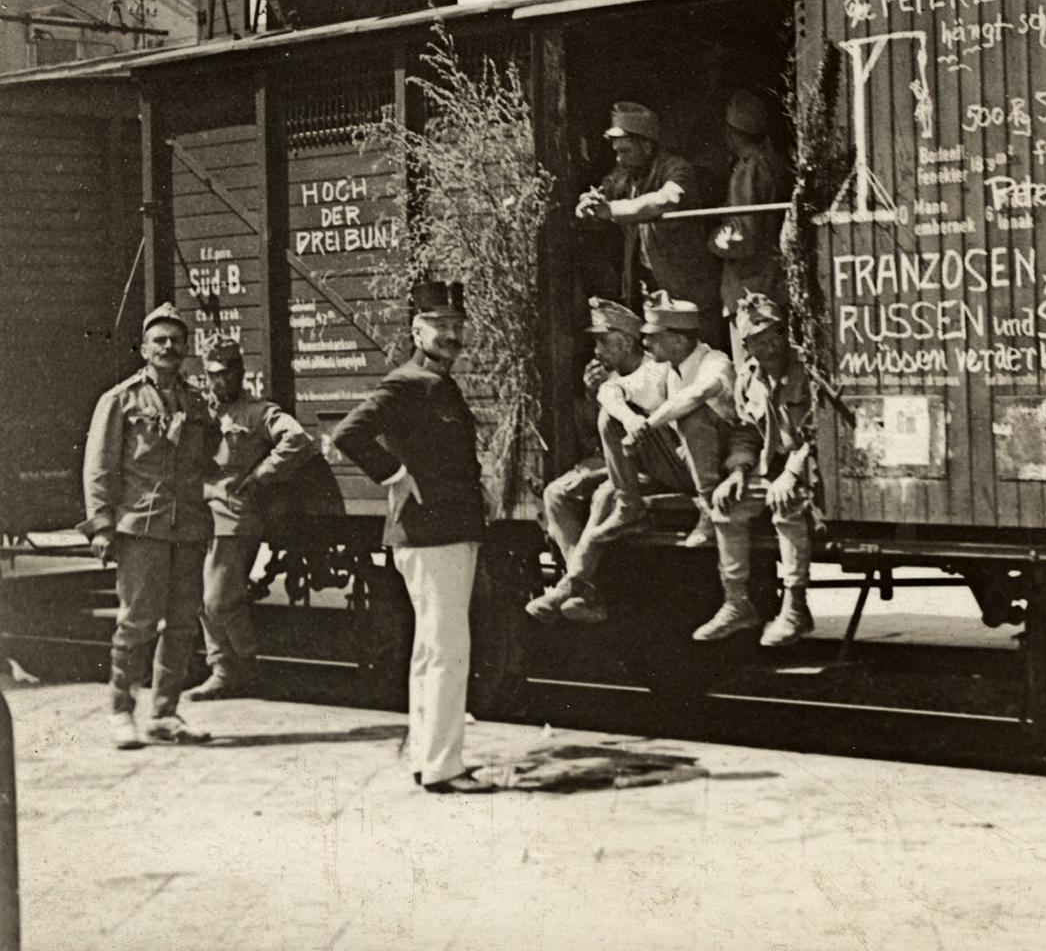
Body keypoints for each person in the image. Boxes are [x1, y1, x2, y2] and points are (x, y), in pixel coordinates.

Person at [331, 280, 494, 795]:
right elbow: (348, 434)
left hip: (445, 530)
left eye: (456, 326)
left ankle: (428, 758)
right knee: (448, 649)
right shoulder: (407, 382)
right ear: (415, 331)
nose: (450, 334)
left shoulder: (438, 384)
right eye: (439, 326)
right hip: (431, 533)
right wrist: (394, 475)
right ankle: (444, 766)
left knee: (431, 649)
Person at [79, 302, 219, 749]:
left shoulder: (197, 402)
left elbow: (209, 454)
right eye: (159, 340)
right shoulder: (119, 400)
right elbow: (98, 467)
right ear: (143, 349)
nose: (168, 347)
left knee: (182, 624)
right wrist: (102, 526)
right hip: (141, 528)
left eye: (176, 340)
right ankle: (122, 712)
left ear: (186, 348)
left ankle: (164, 714)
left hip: (190, 528)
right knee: (137, 622)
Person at [527, 298, 686, 625]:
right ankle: (584, 589)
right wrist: (590, 397)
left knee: (605, 496)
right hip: (620, 466)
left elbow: (667, 434)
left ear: (626, 341)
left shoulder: (658, 370)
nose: (595, 349)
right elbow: (592, 441)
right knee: (555, 494)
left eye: (603, 340)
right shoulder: (607, 377)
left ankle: (570, 586)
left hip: (657, 468)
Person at [184, 336, 317, 701]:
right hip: (198, 515)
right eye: (214, 375)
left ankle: (246, 666)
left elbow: (298, 440)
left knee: (217, 600)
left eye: (228, 374)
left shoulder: (258, 413)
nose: (221, 381)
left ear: (240, 374)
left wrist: (261, 475)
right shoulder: (200, 413)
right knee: (200, 598)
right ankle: (224, 671)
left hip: (234, 517)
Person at [621, 290, 756, 638]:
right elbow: (615, 389)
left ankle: (709, 506)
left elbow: (695, 395)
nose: (646, 344)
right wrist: (628, 418)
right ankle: (627, 498)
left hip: (730, 458)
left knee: (691, 414)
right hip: (688, 462)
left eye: (653, 338)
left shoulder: (716, 362)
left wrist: (649, 424)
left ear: (679, 340)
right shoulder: (663, 368)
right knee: (612, 419)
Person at [575, 101, 725, 348]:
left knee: (701, 357)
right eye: (616, 152)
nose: (618, 159)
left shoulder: (678, 169)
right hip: (653, 291)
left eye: (625, 151)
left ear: (646, 145)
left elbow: (664, 200)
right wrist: (588, 205)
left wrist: (611, 209)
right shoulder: (626, 172)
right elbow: (606, 189)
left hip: (688, 293)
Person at [712, 293, 815, 646]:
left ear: (786, 333)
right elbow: (744, 432)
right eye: (758, 340)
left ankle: (795, 606)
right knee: (726, 506)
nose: (769, 346)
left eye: (774, 334)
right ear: (746, 345)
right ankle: (737, 602)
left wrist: (794, 471)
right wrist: (738, 471)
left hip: (810, 469)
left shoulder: (807, 369)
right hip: (771, 469)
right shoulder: (748, 379)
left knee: (785, 505)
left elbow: (822, 430)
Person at [709, 88, 791, 364]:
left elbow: (743, 238)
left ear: (731, 132)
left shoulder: (749, 169)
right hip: (773, 284)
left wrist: (713, 240)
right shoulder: (775, 163)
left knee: (752, 371)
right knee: (777, 363)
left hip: (749, 291)